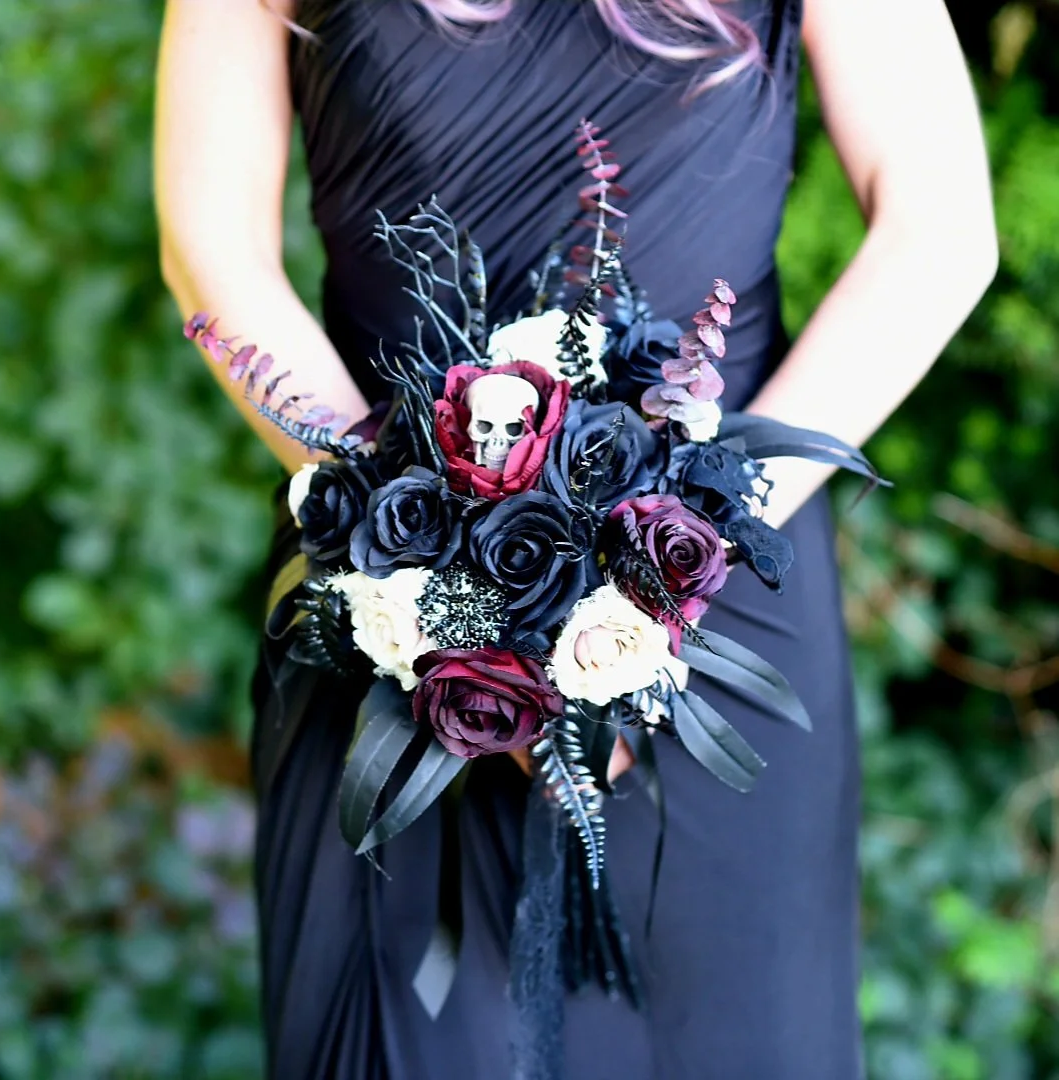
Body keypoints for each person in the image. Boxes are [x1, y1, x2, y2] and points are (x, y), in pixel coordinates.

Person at [153, 1, 997, 1076]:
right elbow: (207, 247)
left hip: (716, 616)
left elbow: (937, 226)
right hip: (384, 614)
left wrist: (671, 558)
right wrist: (424, 570)